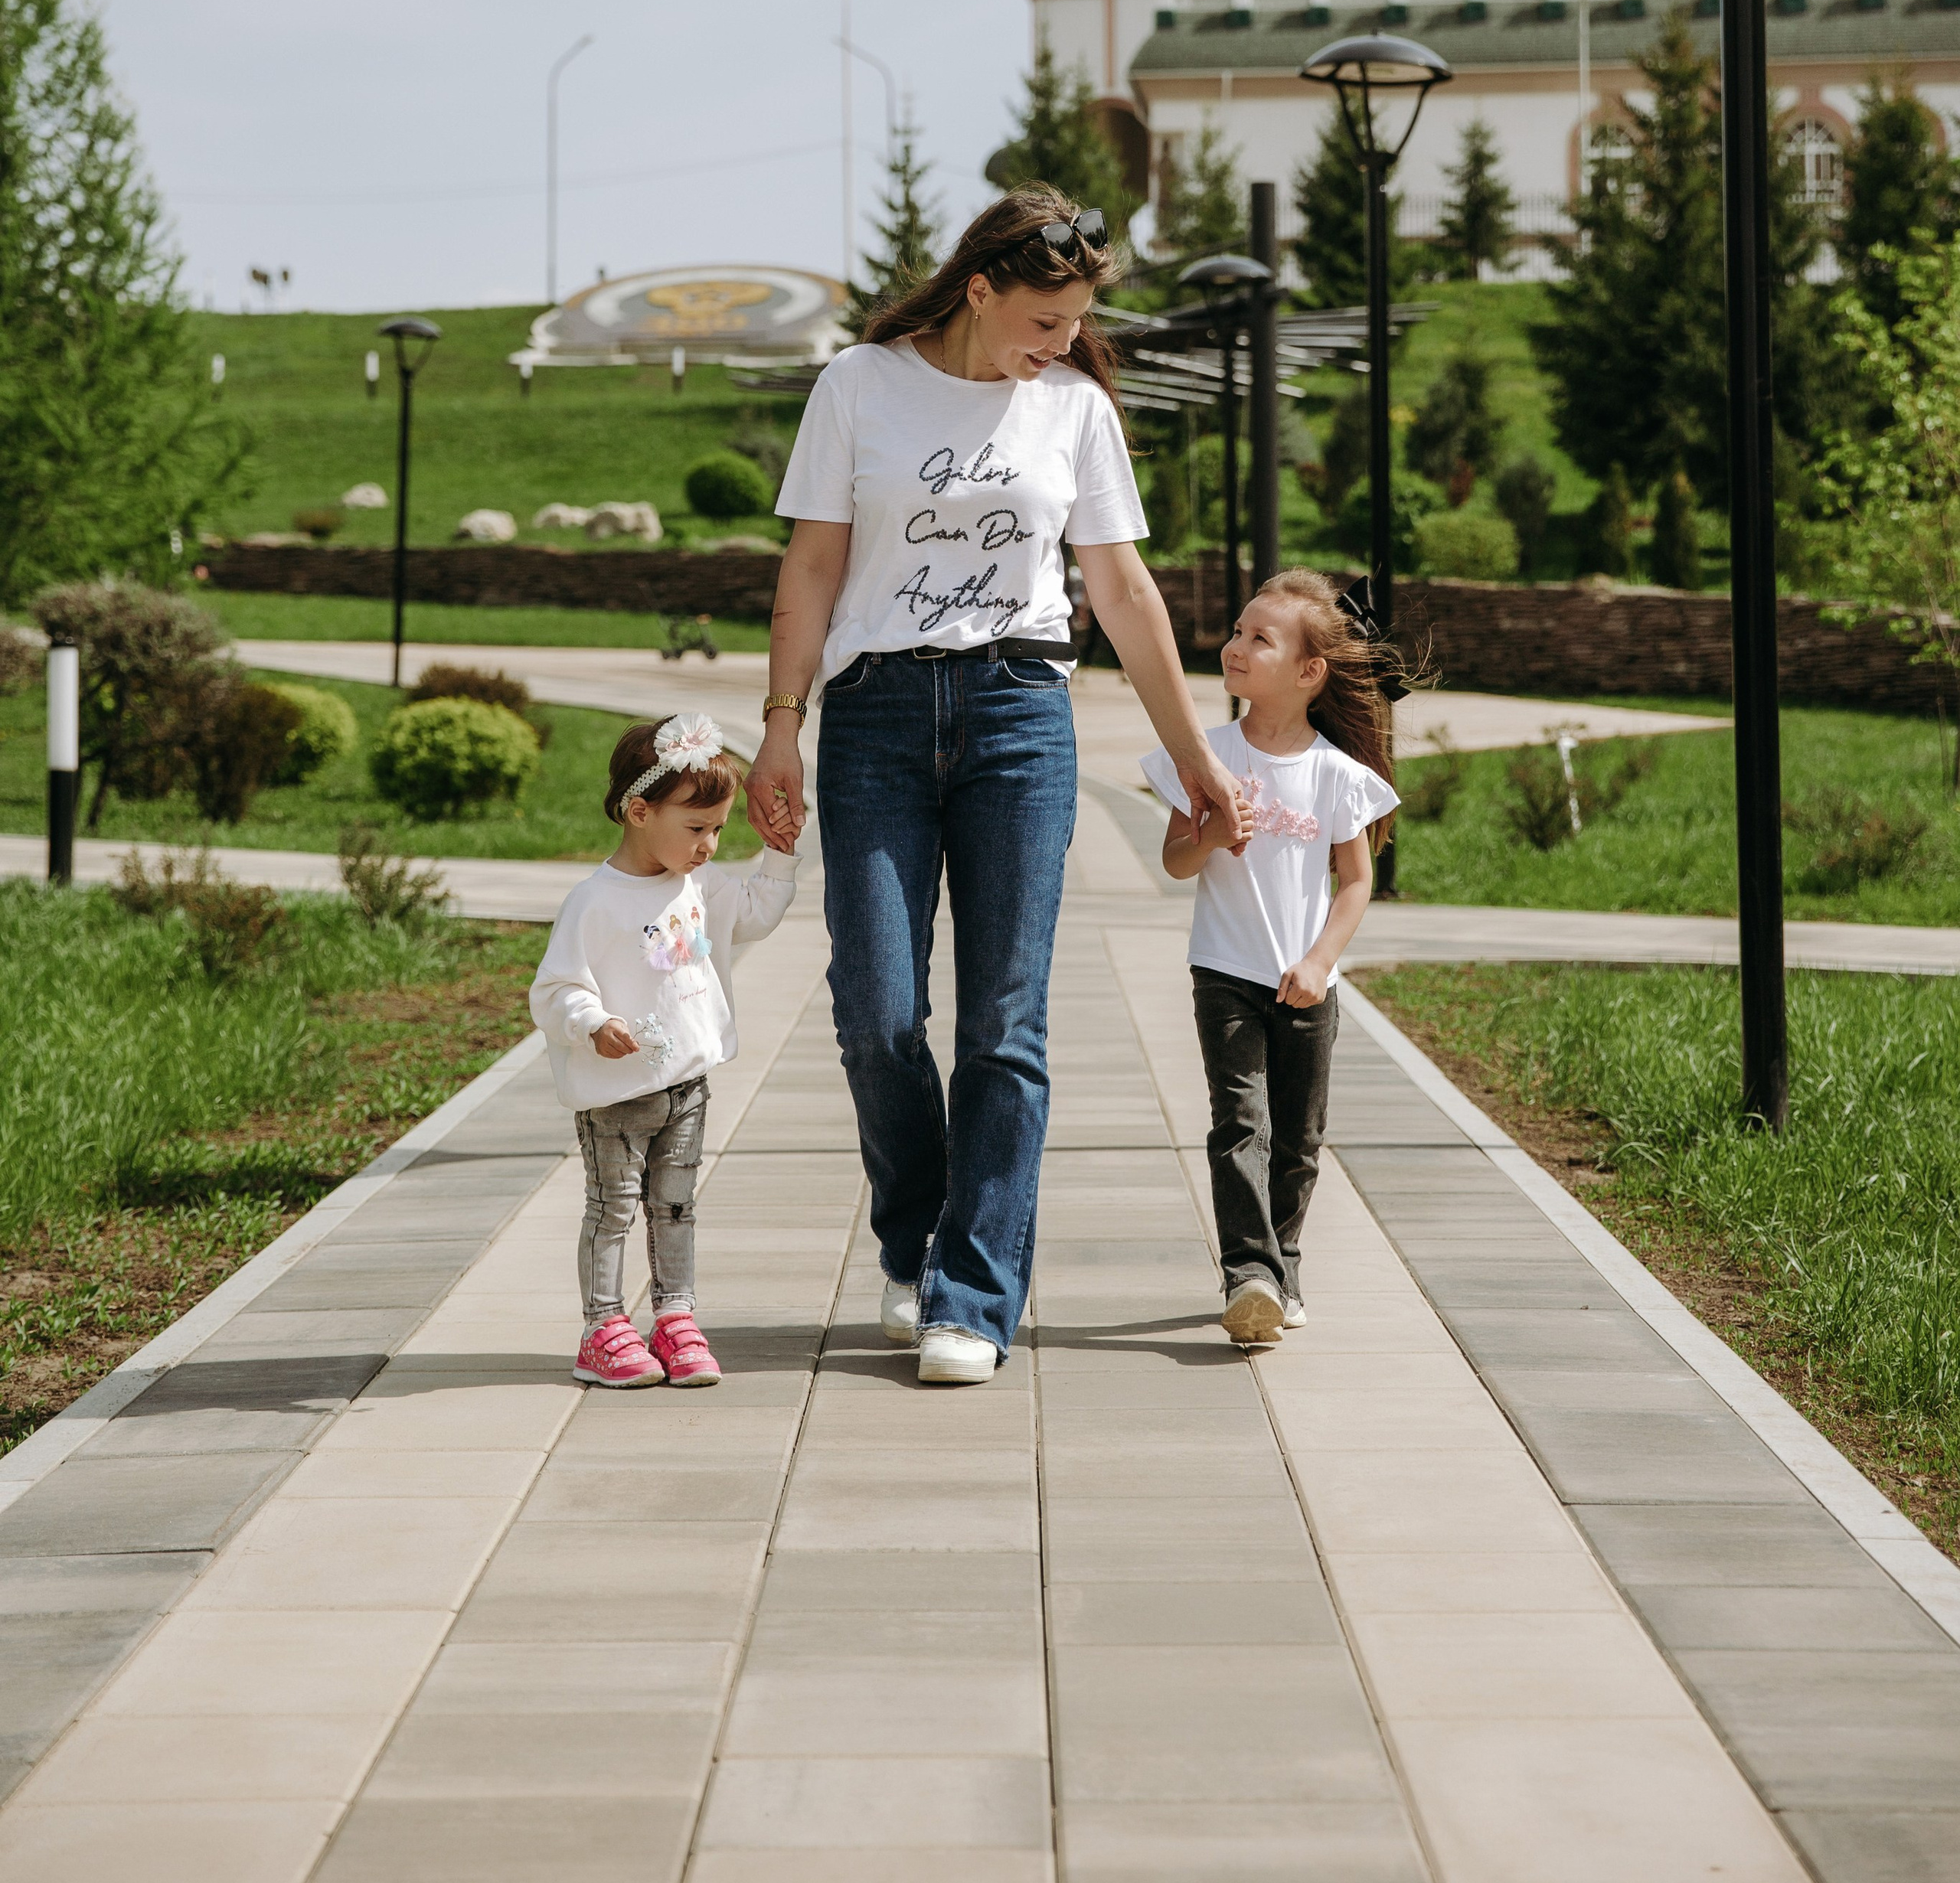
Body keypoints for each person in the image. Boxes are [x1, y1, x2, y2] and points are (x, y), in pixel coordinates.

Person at [744, 185, 1243, 1385]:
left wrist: (1194, 755)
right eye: (1045, 318)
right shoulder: (859, 384)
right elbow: (813, 566)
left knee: (1005, 1024)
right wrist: (779, 726)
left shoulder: (1072, 411)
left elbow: (1123, 592)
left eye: (1076, 322)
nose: (1063, 342)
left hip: (1022, 712)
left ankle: (972, 1291)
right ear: (980, 288)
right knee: (876, 1012)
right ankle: (912, 1240)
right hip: (872, 721)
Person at [1143, 569, 1400, 1346]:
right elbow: (1175, 863)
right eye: (1236, 630)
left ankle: (1282, 1264)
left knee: (1297, 1139)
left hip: (1306, 982)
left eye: (1261, 636)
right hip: (1224, 970)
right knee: (1239, 1123)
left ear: (1307, 671)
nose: (1236, 644)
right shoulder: (1206, 755)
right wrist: (1212, 833)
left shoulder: (1334, 775)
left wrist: (1321, 960)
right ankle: (1247, 1275)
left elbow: (1354, 884)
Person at [531, 713, 795, 1388]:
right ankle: (603, 1325)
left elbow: (758, 914)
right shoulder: (593, 901)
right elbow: (555, 987)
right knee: (613, 1206)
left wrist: (781, 852)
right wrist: (590, 1020)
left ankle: (675, 1314)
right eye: (696, 827)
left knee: (676, 1205)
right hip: (617, 1094)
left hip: (686, 1086)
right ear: (639, 810)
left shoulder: (701, 888)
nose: (709, 845)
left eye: (717, 829)